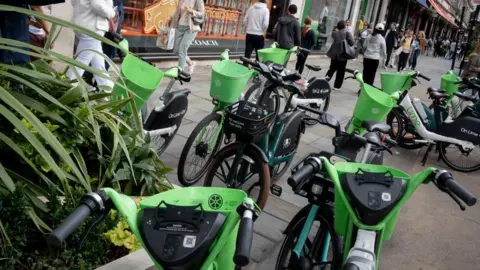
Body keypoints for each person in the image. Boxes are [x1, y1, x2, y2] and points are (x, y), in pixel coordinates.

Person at [66, 0, 117, 91]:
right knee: (81, 61)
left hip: (82, 23)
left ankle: (107, 89)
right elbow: (97, 5)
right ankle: (67, 89)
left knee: (98, 60)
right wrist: (112, 13)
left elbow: (74, 2)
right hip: (93, 27)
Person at [170, 0, 205, 74]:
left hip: (190, 28)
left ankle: (180, 72)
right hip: (180, 26)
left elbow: (202, 14)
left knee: (182, 50)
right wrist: (171, 22)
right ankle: (190, 62)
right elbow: (177, 13)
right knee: (176, 50)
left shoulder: (197, 1)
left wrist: (192, 11)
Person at [326, 20, 355, 90]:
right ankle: (337, 86)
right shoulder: (347, 33)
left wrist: (336, 28)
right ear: (345, 26)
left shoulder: (334, 33)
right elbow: (352, 43)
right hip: (343, 55)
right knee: (341, 71)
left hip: (334, 55)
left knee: (331, 69)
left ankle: (324, 81)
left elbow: (333, 33)